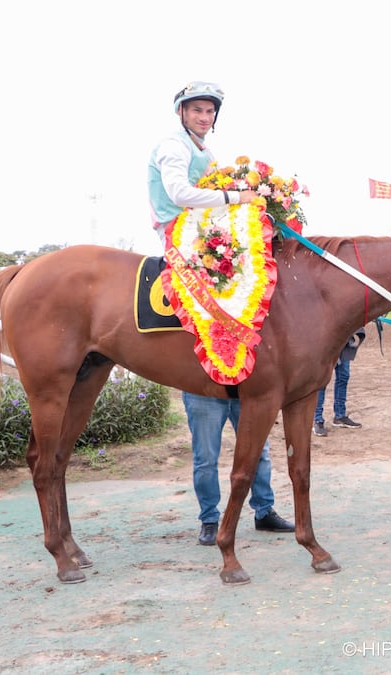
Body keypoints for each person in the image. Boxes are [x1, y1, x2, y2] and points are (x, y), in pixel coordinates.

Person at [148, 81, 293, 545]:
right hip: (180, 231)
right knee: (206, 454)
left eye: (209, 110)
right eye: (197, 109)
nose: (204, 116)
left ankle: (264, 509)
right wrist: (238, 200)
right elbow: (180, 193)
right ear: (182, 112)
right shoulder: (173, 147)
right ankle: (210, 518)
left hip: (202, 226)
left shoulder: (205, 151)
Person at [311, 328, 366, 437]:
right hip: (326, 341)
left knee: (343, 376)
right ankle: (317, 420)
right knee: (322, 380)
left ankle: (340, 416)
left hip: (344, 340)